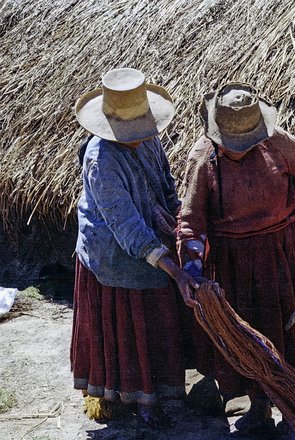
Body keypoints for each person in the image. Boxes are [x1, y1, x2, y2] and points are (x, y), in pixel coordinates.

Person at [177, 82, 295, 435]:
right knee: (248, 339)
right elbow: (192, 221)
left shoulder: (277, 142)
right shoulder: (203, 158)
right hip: (233, 263)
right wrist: (192, 272)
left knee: (292, 336)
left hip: (284, 255)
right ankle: (260, 408)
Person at [70, 67, 201, 428]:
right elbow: (125, 225)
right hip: (112, 254)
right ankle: (138, 401)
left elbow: (165, 181)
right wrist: (174, 270)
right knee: (131, 328)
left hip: (150, 239)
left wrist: (179, 221)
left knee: (155, 321)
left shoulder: (146, 135)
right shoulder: (101, 161)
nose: (139, 138)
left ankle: (158, 391)